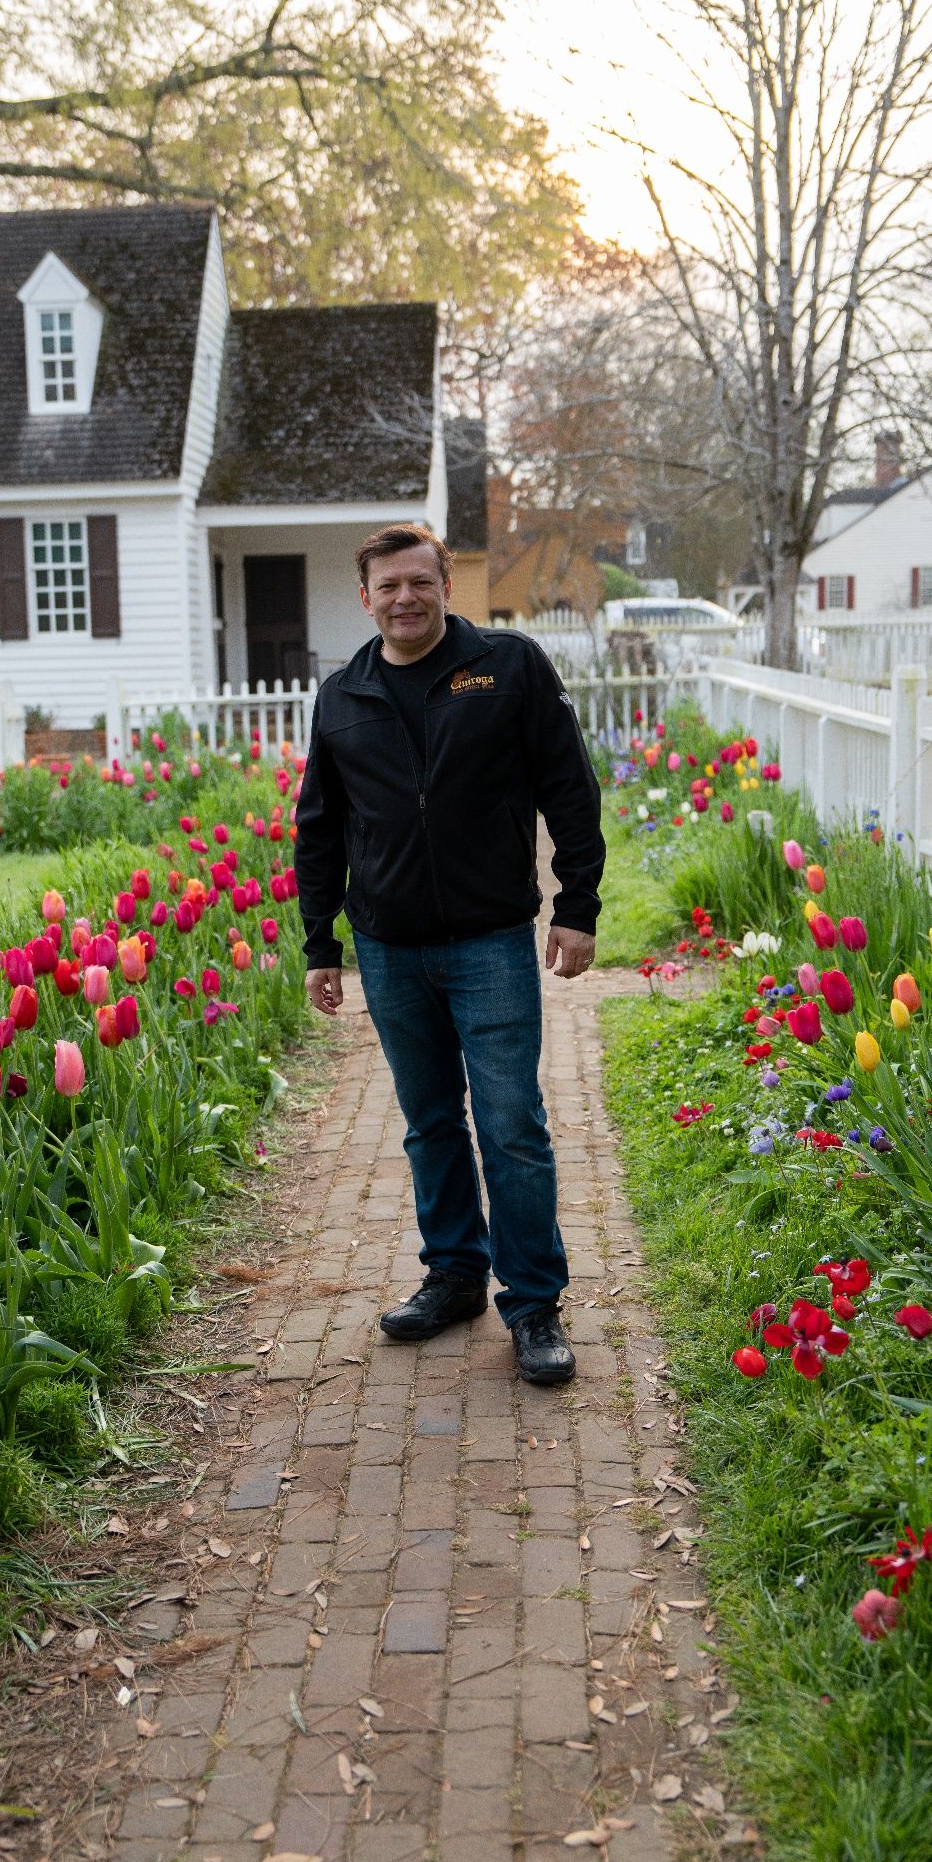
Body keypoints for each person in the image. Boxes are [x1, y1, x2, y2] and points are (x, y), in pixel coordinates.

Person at [295, 523, 605, 1385]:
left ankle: (534, 1303)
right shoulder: (342, 694)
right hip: (389, 950)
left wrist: (576, 905)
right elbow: (319, 828)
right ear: (365, 597)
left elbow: (569, 791)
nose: (404, 599)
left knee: (511, 1128)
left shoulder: (507, 668)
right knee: (430, 1123)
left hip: (490, 942)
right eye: (387, 586)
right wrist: (320, 941)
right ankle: (456, 1274)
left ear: (445, 586)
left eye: (419, 583)